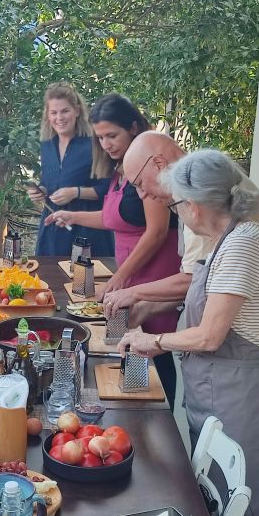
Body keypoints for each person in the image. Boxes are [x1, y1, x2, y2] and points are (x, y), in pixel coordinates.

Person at [118, 149, 259, 516]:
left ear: (193, 206)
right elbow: (206, 304)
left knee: (239, 504)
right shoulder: (227, 238)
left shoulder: (244, 243)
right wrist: (151, 310)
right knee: (209, 498)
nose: (176, 213)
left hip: (239, 395)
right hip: (214, 387)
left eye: (175, 205)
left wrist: (154, 342)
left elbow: (210, 335)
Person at [46, 95, 181, 408]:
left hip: (154, 275)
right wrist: (73, 216)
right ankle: (133, 407)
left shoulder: (146, 173)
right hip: (130, 276)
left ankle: (161, 415)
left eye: (112, 135)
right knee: (129, 350)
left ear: (134, 128)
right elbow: (112, 218)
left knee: (153, 354)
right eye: (100, 137)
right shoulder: (119, 171)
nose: (105, 144)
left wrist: (119, 277)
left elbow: (157, 231)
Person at [29, 82, 114, 257]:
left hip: (87, 230)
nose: (59, 117)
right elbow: (48, 182)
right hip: (52, 230)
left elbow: (107, 189)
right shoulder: (46, 145)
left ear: (76, 111)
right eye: (54, 112)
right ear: (48, 115)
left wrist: (75, 192)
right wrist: (40, 191)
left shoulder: (94, 144)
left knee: (85, 282)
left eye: (65, 111)